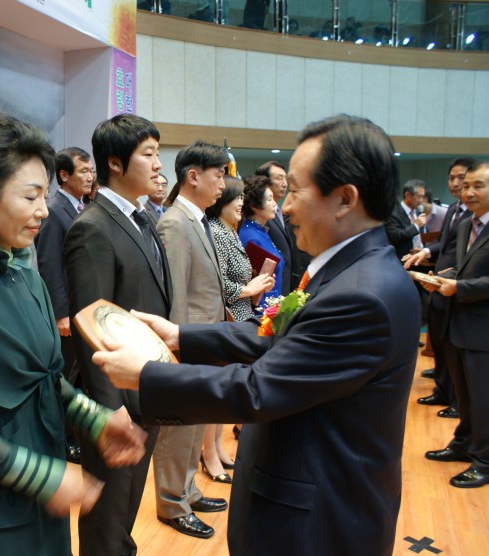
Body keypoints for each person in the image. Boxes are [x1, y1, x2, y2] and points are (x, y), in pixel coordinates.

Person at [92, 115, 421, 556]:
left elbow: (257, 389)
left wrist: (145, 374)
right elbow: (277, 341)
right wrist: (180, 335)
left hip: (315, 525)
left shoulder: (362, 295)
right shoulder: (353, 273)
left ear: (345, 199)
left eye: (296, 191)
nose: (286, 207)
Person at [0, 109, 146, 556]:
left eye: (45, 194)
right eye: (30, 196)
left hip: (45, 499)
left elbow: (46, 379)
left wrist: (95, 419)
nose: (43, 210)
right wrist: (43, 477)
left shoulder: (25, 274)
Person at [64, 113, 171, 556]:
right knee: (106, 524)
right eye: (148, 154)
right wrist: (111, 409)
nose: (158, 164)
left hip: (145, 391)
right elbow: (90, 325)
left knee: (124, 511)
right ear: (114, 162)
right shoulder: (93, 227)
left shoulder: (141, 219)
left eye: (157, 153)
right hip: (117, 404)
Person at [153, 141, 230, 540]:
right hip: (188, 343)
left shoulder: (197, 219)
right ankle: (171, 502)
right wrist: (179, 348)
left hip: (203, 341)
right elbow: (178, 296)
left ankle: (187, 490)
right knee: (178, 427)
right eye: (218, 175)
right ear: (194, 176)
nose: (223, 185)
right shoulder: (175, 222)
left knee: (194, 424)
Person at [422, 160, 489, 489]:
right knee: (464, 394)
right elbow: (465, 268)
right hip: (458, 323)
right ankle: (464, 444)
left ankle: (484, 461)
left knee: (483, 397)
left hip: (483, 329)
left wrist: (459, 287)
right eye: (466, 186)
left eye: (478, 186)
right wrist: (442, 278)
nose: (469, 192)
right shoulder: (466, 225)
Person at [403, 158, 476, 418]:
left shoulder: (474, 214)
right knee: (440, 343)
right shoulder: (454, 209)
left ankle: (457, 399)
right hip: (440, 281)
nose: (456, 184)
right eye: (452, 178)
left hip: (459, 286)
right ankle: (443, 391)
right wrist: (425, 252)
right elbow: (443, 243)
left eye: (462, 179)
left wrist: (454, 275)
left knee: (455, 348)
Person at [35, 146, 94, 463]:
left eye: (91, 170)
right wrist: (60, 313)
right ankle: (62, 441)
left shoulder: (85, 206)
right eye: (83, 171)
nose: (90, 176)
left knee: (81, 379)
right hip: (67, 314)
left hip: (85, 310)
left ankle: (76, 436)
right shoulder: (54, 210)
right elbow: (50, 265)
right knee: (66, 379)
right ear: (64, 175)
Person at [206, 176, 275, 322]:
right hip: (230, 320)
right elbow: (219, 285)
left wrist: (260, 283)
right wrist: (250, 289)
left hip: (242, 316)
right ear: (223, 199)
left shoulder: (231, 230)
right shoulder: (216, 232)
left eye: (242, 198)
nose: (241, 203)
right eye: (236, 198)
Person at [238, 174, 284, 302]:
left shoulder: (260, 231)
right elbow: (255, 284)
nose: (274, 204)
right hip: (262, 307)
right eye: (269, 200)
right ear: (255, 206)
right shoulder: (251, 237)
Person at [255, 161, 293, 294]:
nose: (285, 183)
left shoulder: (277, 211)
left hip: (285, 283)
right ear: (265, 181)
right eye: (279, 178)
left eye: (285, 178)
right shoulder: (261, 216)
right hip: (270, 288)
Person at [385, 179, 427, 260]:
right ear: (407, 195)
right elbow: (395, 236)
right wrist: (415, 226)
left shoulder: (418, 212)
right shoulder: (393, 213)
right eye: (419, 197)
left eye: (423, 197)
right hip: (401, 260)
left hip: (420, 259)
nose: (421, 200)